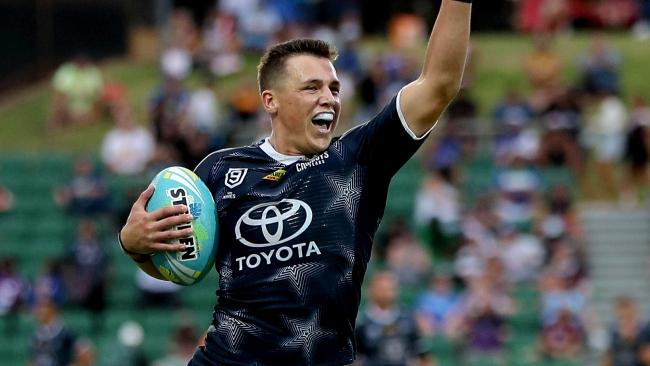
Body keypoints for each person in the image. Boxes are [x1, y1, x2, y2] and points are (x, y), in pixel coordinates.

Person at [119, 1, 472, 364]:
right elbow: (181, 266)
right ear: (270, 101)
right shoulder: (220, 169)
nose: (329, 98)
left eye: (334, 88)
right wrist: (134, 245)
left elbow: (439, 84)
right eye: (312, 87)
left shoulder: (357, 161)